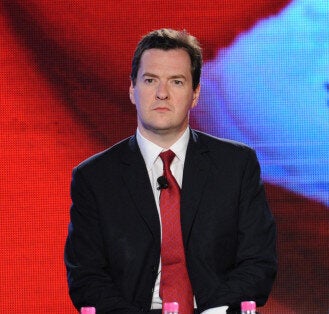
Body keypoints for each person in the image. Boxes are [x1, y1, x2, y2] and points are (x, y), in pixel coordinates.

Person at [64, 28, 277, 313]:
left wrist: (215, 309)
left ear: (195, 93)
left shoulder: (236, 165)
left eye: (176, 82)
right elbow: (86, 276)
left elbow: (258, 262)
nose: (162, 93)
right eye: (150, 80)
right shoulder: (95, 178)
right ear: (132, 89)